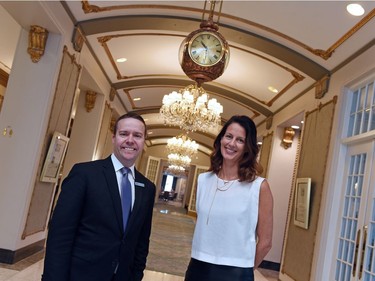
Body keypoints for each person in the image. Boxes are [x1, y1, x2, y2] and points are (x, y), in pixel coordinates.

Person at [42, 112, 156, 281]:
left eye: (137, 135)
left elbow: (141, 242)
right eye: (124, 134)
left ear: (143, 141)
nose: (130, 140)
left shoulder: (147, 188)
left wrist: (136, 276)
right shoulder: (84, 174)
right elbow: (60, 236)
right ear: (114, 138)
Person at [184, 115, 273, 281]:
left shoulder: (259, 187)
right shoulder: (203, 180)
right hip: (197, 267)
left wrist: (244, 269)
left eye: (240, 140)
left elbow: (266, 242)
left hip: (236, 273)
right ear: (220, 140)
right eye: (229, 136)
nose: (232, 144)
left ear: (248, 147)